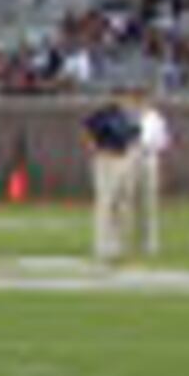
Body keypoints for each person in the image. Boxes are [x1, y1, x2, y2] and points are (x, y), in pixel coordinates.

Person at [83, 91, 142, 264]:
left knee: (122, 202)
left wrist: (131, 154)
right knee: (105, 202)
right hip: (105, 159)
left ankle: (119, 242)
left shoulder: (128, 117)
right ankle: (102, 243)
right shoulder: (103, 114)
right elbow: (87, 130)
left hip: (122, 159)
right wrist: (94, 148)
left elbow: (134, 136)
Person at [131, 91, 170, 257]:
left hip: (149, 157)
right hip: (131, 157)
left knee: (149, 202)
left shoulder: (157, 119)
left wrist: (151, 146)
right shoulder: (130, 117)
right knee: (129, 200)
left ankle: (150, 242)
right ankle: (129, 240)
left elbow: (164, 142)